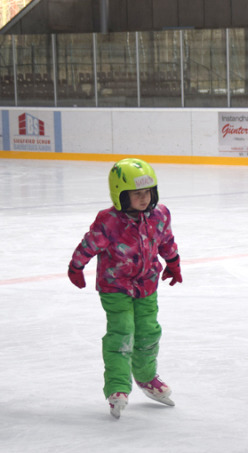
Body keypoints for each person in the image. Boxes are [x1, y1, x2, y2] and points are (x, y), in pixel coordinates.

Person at [68, 158, 182, 419]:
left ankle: (146, 375)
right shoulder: (109, 221)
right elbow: (89, 244)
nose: (144, 199)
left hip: (147, 285)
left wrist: (173, 263)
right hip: (114, 287)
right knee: (122, 333)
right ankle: (118, 386)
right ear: (120, 195)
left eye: (148, 192)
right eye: (137, 194)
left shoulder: (160, 214)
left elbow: (166, 240)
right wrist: (76, 266)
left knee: (149, 332)